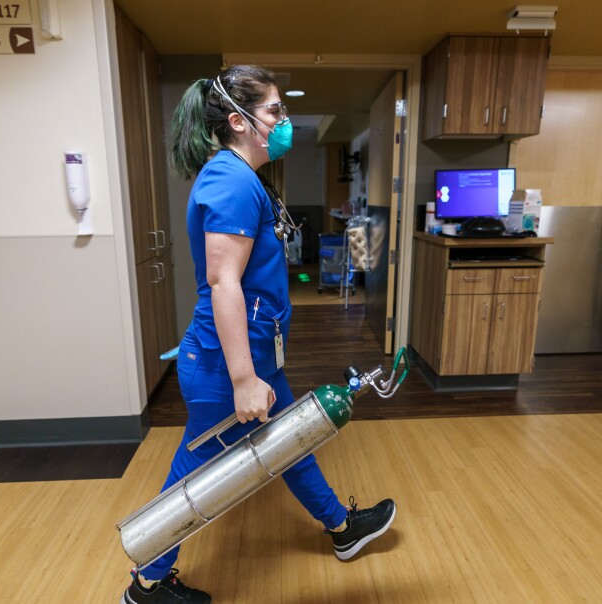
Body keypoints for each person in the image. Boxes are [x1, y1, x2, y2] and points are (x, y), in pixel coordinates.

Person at [120, 65, 396, 604]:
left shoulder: (243, 178)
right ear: (238, 121)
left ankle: (342, 528)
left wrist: (255, 369)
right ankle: (147, 584)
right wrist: (244, 379)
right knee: (193, 476)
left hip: (252, 358)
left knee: (292, 441)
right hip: (226, 368)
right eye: (275, 110)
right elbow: (223, 282)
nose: (283, 120)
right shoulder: (229, 179)